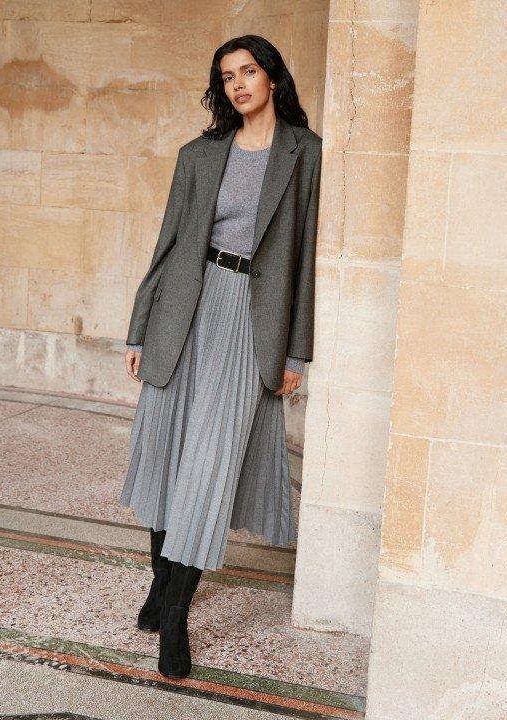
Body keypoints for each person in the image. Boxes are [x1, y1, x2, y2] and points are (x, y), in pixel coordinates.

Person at [118, 34, 322, 680]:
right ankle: (160, 583)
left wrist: (297, 351)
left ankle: (175, 614)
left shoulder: (305, 155)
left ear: (272, 78)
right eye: (227, 76)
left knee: (209, 465)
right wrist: (140, 329)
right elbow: (168, 243)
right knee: (168, 454)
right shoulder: (199, 154)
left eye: (249, 72)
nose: (238, 85)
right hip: (186, 307)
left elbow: (307, 260)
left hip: (250, 320)